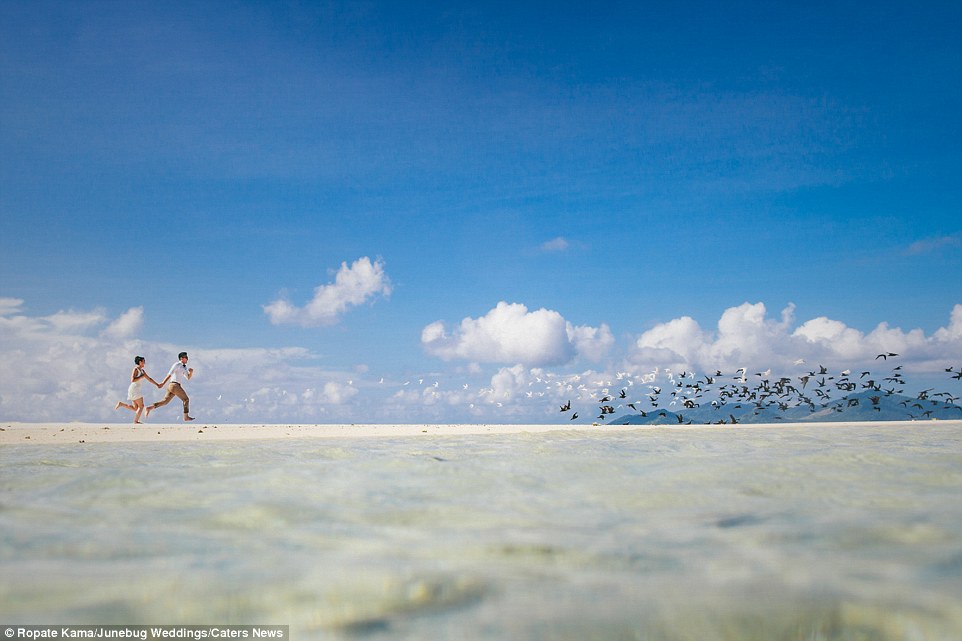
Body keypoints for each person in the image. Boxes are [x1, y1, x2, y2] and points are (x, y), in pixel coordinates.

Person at [146, 351, 195, 422]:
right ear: (181, 358)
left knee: (165, 401)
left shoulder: (184, 367)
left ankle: (149, 408)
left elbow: (188, 378)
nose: (187, 359)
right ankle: (186, 417)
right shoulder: (177, 364)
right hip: (174, 385)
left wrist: (191, 372)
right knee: (186, 399)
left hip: (174, 386)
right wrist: (162, 383)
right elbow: (169, 374)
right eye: (186, 357)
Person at [114, 356, 162, 423]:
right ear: (140, 362)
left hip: (136, 389)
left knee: (136, 408)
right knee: (141, 406)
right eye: (143, 361)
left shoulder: (142, 371)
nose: (144, 363)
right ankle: (136, 421)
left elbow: (149, 379)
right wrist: (141, 376)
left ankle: (122, 404)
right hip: (134, 388)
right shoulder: (136, 369)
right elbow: (132, 380)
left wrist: (157, 384)